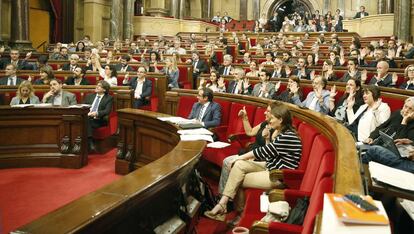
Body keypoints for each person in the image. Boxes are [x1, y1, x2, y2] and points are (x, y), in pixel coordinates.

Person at [204, 102, 302, 222]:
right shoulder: (280, 132)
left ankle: (236, 213)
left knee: (237, 177)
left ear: (280, 119)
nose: (269, 121)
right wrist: (267, 139)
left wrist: (239, 157)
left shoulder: (288, 136)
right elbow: (270, 154)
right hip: (270, 166)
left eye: (271, 118)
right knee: (239, 166)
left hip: (278, 175)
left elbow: (263, 151)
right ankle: (223, 204)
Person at [83, 81, 114, 152]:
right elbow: (83, 106)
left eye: (99, 86)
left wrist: (96, 113)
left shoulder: (109, 98)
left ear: (104, 90)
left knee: (87, 121)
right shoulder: (89, 96)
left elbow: (107, 111)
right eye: (97, 85)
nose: (97, 86)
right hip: (87, 117)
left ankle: (89, 142)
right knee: (86, 120)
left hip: (99, 119)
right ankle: (90, 142)